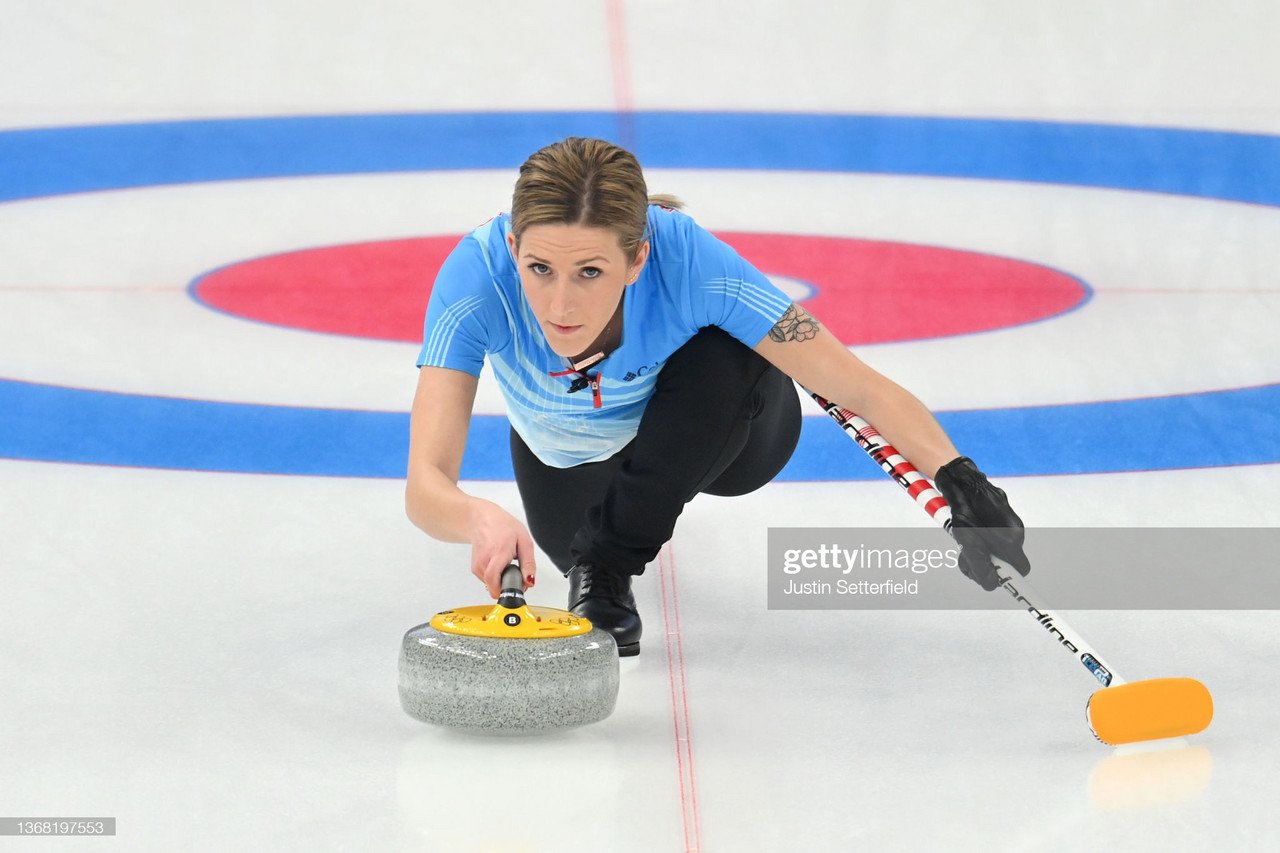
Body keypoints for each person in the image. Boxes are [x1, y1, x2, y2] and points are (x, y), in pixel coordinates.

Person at [405, 136, 1030, 657]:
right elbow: (425, 483)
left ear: (637, 258)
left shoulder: (690, 260)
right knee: (574, 534)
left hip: (732, 443)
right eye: (539, 269)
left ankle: (612, 565)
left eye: (590, 272)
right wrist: (476, 516)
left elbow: (857, 384)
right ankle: (606, 544)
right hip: (571, 464)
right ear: (513, 248)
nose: (560, 304)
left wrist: (962, 480)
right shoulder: (477, 277)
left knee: (727, 349)